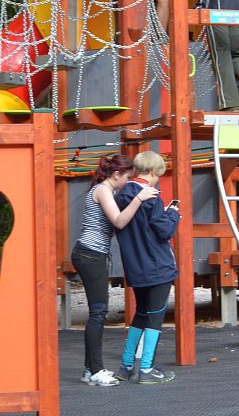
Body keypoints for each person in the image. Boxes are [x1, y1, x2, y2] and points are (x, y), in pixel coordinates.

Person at [70, 153, 160, 386]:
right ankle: (95, 370)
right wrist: (139, 198)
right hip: (90, 254)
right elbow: (119, 221)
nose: (128, 182)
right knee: (98, 312)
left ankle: (89, 369)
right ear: (117, 174)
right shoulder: (103, 190)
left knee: (98, 311)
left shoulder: (106, 191)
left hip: (92, 254)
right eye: (127, 177)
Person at [113, 150, 181, 385]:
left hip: (135, 266)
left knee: (141, 314)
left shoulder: (122, 195)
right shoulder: (151, 196)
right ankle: (146, 368)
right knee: (155, 317)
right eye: (158, 175)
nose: (158, 179)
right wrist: (173, 214)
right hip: (157, 266)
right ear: (152, 172)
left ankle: (126, 366)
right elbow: (164, 231)